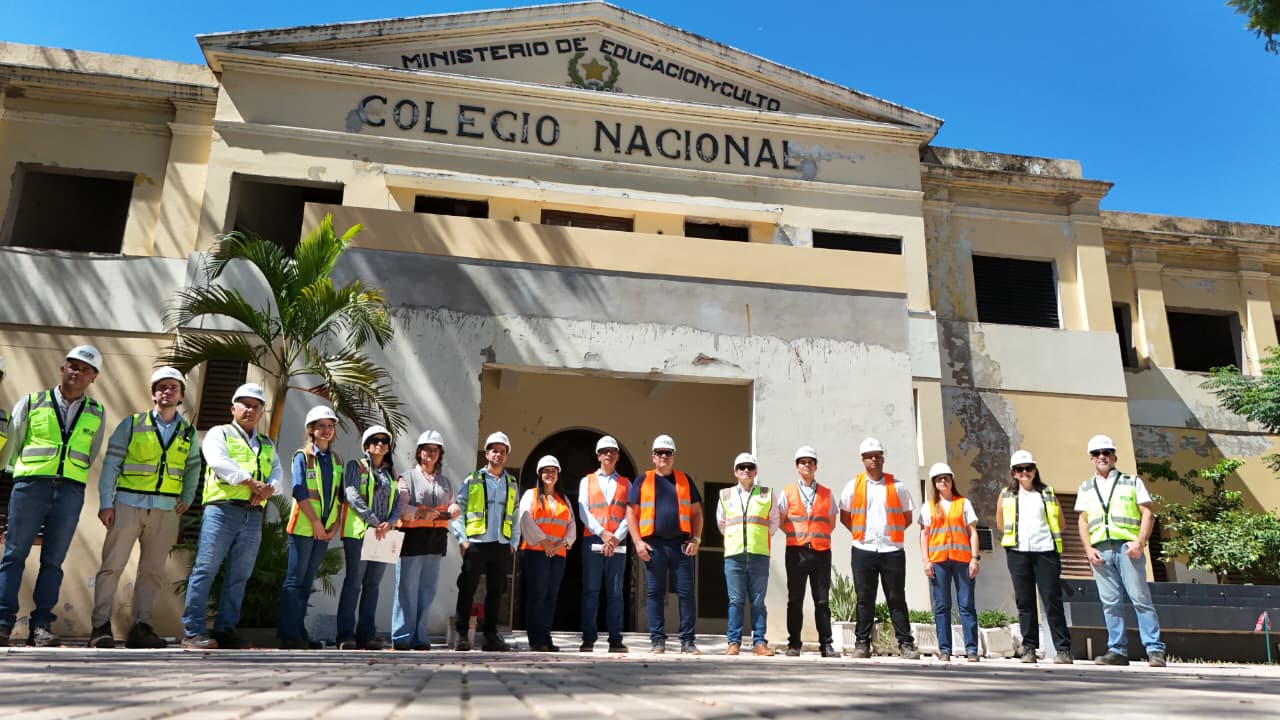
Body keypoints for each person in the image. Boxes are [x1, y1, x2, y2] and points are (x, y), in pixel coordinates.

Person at [0, 345, 106, 647]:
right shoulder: (32, 403)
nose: (77, 373)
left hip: (71, 490)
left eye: (85, 369)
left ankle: (41, 626)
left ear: (94, 377)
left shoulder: (97, 412)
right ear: (62, 369)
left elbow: (92, 450)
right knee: (14, 555)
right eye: (72, 366)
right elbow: (13, 447)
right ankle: (3, 622)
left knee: (53, 560)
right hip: (31, 486)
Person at [90, 367, 201, 649]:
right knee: (111, 567)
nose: (167, 391)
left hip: (165, 511)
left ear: (180, 396)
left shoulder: (187, 432)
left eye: (173, 387)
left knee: (151, 572)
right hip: (127, 504)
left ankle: (142, 627)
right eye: (162, 387)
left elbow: (193, 468)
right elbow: (111, 465)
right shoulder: (132, 423)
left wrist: (187, 497)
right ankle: (100, 627)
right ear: (153, 394)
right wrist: (106, 502)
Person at [182, 382, 285, 650]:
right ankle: (193, 632)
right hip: (221, 510)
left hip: (252, 515)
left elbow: (278, 472)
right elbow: (218, 462)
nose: (250, 409)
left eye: (256, 406)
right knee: (205, 570)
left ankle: (226, 630)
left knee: (239, 575)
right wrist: (253, 484)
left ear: (261, 412)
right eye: (245, 404)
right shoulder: (220, 433)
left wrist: (266, 490)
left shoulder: (265, 443)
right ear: (233, 408)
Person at [1076, 434, 1166, 667]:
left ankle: (1155, 650)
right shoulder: (1085, 487)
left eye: (1106, 452)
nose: (1102, 456)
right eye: (1097, 453)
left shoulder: (1131, 481)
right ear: (1091, 458)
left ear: (1114, 456)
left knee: (1141, 599)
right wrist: (1087, 549)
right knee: (1110, 603)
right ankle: (1117, 650)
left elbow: (1147, 513)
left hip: (1128, 548)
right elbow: (1083, 520)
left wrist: (1140, 542)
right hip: (1100, 551)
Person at [838, 437, 919, 659]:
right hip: (863, 549)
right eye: (869, 456)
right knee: (864, 598)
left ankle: (905, 644)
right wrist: (859, 534)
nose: (874, 459)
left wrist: (889, 536)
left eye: (877, 455)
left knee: (896, 597)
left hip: (892, 550)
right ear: (863, 459)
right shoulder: (853, 486)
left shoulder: (897, 486)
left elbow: (907, 516)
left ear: (882, 458)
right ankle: (862, 643)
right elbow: (845, 515)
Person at [626, 434, 704, 655]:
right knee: (655, 593)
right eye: (659, 453)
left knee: (686, 593)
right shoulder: (643, 480)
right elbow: (631, 512)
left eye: (667, 453)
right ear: (653, 456)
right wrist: (637, 542)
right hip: (653, 545)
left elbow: (697, 513)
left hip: (681, 545)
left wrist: (696, 539)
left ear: (673, 456)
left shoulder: (685, 480)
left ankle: (688, 641)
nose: (663, 456)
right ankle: (657, 641)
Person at [995, 449, 1073, 664]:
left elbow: (1062, 522)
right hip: (1018, 553)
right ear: (1013, 472)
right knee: (1025, 602)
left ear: (1035, 470)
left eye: (1028, 468)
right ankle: (1029, 647)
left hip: (1045, 551)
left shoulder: (1047, 493)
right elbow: (1000, 523)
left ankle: (1063, 649)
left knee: (1052, 600)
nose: (1024, 472)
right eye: (1019, 469)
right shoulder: (1006, 494)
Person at [277, 405, 342, 650]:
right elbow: (299, 490)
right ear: (311, 430)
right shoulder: (301, 457)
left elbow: (339, 496)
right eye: (321, 426)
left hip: (324, 531)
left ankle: (299, 632)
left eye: (330, 426)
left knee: (307, 582)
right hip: (304, 528)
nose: (326, 430)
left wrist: (333, 525)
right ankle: (288, 634)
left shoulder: (336, 460)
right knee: (295, 580)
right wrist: (315, 522)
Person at [451, 431, 521, 652]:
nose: (498, 455)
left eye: (502, 451)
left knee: (496, 591)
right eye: (494, 450)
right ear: (487, 454)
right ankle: (463, 635)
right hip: (477, 543)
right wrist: (462, 540)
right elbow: (457, 511)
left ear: (506, 455)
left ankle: (491, 636)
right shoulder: (472, 480)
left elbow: (516, 514)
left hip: (501, 545)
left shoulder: (511, 483)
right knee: (467, 589)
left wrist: (514, 543)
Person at [392, 429, 458, 651]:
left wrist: (455, 508)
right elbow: (401, 507)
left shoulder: (445, 482)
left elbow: (451, 504)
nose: (431, 453)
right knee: (407, 589)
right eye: (427, 449)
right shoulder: (407, 477)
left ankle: (420, 636)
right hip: (411, 539)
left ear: (440, 454)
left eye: (435, 450)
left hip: (436, 540)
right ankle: (402, 636)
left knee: (427, 591)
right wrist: (420, 513)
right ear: (419, 453)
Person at [336, 424, 400, 650]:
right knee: (354, 583)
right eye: (375, 440)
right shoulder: (357, 466)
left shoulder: (390, 472)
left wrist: (390, 523)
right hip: (360, 533)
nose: (381, 444)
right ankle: (346, 635)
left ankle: (367, 635)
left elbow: (397, 502)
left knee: (373, 585)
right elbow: (351, 495)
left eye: (384, 441)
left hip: (383, 535)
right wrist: (375, 521)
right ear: (366, 446)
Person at [716, 452, 779, 656]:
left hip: (759, 554)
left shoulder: (767, 494)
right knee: (735, 600)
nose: (746, 470)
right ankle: (733, 642)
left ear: (755, 471)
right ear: (735, 471)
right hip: (734, 556)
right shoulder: (725, 495)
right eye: (742, 467)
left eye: (750, 467)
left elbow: (774, 522)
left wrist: (758, 537)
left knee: (758, 601)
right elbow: (722, 524)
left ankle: (759, 643)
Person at [778, 445, 838, 658]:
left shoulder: (826, 494)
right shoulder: (787, 493)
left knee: (822, 601)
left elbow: (831, 522)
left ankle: (826, 644)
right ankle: (794, 643)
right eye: (802, 462)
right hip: (796, 552)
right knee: (795, 599)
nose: (806, 465)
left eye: (810, 462)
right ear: (797, 467)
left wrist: (815, 536)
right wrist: (800, 536)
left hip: (821, 552)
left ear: (816, 466)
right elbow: (781, 521)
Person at [919, 462, 980, 662]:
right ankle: (945, 650)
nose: (943, 481)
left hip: (962, 560)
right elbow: (924, 535)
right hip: (938, 562)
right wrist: (926, 561)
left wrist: (974, 558)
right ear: (934, 483)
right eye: (939, 479)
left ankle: (971, 650)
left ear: (952, 480)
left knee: (966, 605)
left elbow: (972, 532)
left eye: (946, 478)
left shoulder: (963, 503)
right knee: (942, 606)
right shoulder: (928, 507)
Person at [518, 454, 577, 651]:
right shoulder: (531, 495)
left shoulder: (564, 500)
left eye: (553, 471)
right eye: (545, 471)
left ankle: (545, 636)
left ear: (558, 474)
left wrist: (562, 544)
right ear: (539, 474)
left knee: (551, 597)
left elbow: (571, 525)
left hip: (558, 554)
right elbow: (526, 519)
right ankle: (536, 640)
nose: (549, 474)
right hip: (536, 552)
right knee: (538, 595)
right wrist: (544, 542)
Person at [578, 434, 630, 653]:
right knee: (591, 590)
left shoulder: (626, 483)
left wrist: (615, 536)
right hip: (593, 539)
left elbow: (630, 513)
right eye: (604, 451)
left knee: (616, 592)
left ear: (617, 456)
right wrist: (603, 533)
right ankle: (588, 639)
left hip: (617, 542)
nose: (608, 454)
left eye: (612, 451)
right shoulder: (586, 480)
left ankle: (615, 639)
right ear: (598, 455)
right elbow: (583, 510)